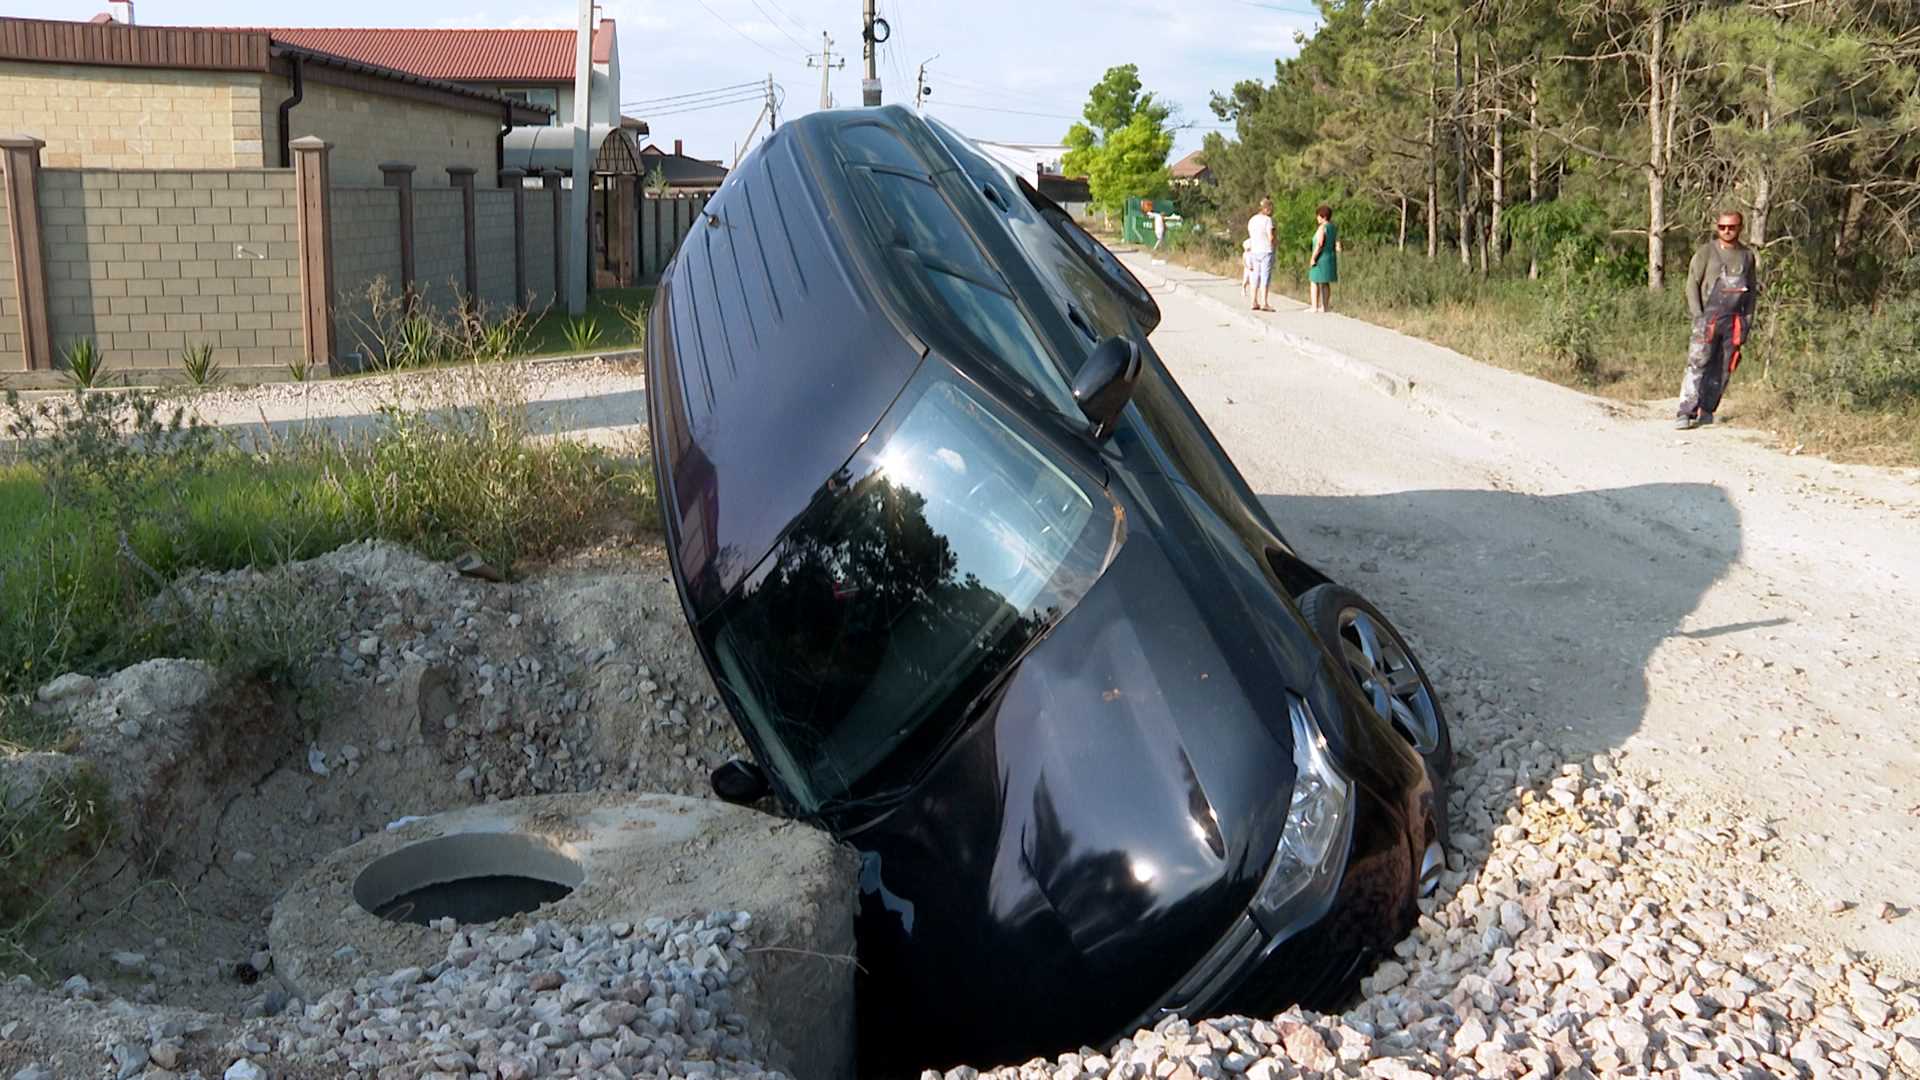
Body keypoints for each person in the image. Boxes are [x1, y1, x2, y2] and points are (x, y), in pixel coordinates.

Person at [1676, 210, 1761, 430]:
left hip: (1733, 322)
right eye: (1722, 227)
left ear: (1740, 227)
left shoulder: (1747, 256)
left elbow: (1751, 293)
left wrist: (1747, 323)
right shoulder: (1707, 252)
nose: (1726, 231)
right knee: (1697, 364)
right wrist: (1698, 316)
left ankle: (1707, 410)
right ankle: (1685, 411)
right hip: (1708, 319)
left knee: (1723, 368)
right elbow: (1691, 285)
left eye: (1731, 227)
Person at [1307, 204, 1340, 313]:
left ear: (1324, 217)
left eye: (1318, 216)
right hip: (1330, 257)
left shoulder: (1323, 228)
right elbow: (1337, 243)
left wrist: (1313, 258)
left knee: (1314, 281)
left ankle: (1314, 306)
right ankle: (1325, 306)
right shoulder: (1333, 227)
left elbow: (1320, 243)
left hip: (1321, 257)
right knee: (1325, 282)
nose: (1317, 218)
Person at [1246, 197, 1276, 312]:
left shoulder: (1252, 220)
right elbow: (1270, 236)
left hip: (1255, 250)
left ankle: (1253, 301)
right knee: (1265, 276)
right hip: (1266, 250)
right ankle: (1264, 302)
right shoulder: (1268, 220)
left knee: (1255, 276)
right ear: (1266, 209)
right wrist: (1274, 244)